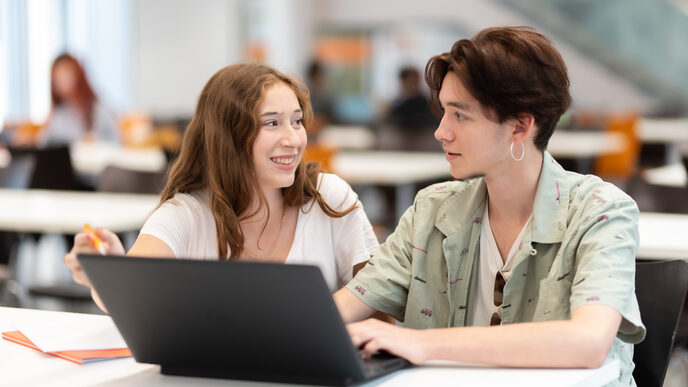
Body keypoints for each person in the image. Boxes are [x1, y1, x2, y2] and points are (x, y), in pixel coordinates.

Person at [335, 26, 645, 386]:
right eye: (444, 112)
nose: (441, 131)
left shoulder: (600, 212)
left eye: (460, 115)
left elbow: (588, 343)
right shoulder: (432, 211)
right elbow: (343, 309)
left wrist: (420, 342)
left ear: (520, 126)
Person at [64, 63, 379, 310]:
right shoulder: (186, 214)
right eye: (271, 123)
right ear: (229, 137)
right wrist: (105, 274)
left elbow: (380, 306)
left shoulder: (329, 198)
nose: (293, 139)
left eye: (296, 121)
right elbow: (129, 296)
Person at [36, 53, 119, 147]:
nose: (62, 81)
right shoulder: (58, 114)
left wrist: (96, 141)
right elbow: (43, 146)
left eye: (66, 74)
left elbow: (116, 142)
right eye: (58, 77)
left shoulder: (99, 110)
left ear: (78, 75)